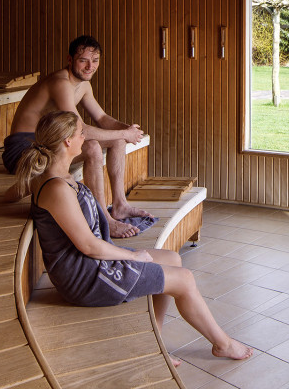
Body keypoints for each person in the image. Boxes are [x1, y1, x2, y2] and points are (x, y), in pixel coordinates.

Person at [14, 110, 253, 364]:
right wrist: (133, 255)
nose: (86, 138)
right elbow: (88, 246)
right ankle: (222, 344)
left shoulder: (53, 176)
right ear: (67, 142)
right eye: (81, 133)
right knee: (184, 279)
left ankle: (155, 342)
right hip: (85, 276)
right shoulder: (56, 188)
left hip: (90, 264)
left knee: (172, 258)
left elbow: (19, 190)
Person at [3, 35, 150, 238]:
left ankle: (120, 205)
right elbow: (80, 130)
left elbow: (101, 117)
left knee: (117, 139)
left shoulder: (83, 85)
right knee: (91, 147)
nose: (90, 66)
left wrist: (127, 130)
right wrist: (125, 133)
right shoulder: (60, 83)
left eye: (95, 61)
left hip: (48, 142)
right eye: (83, 60)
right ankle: (104, 219)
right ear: (70, 60)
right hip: (22, 151)